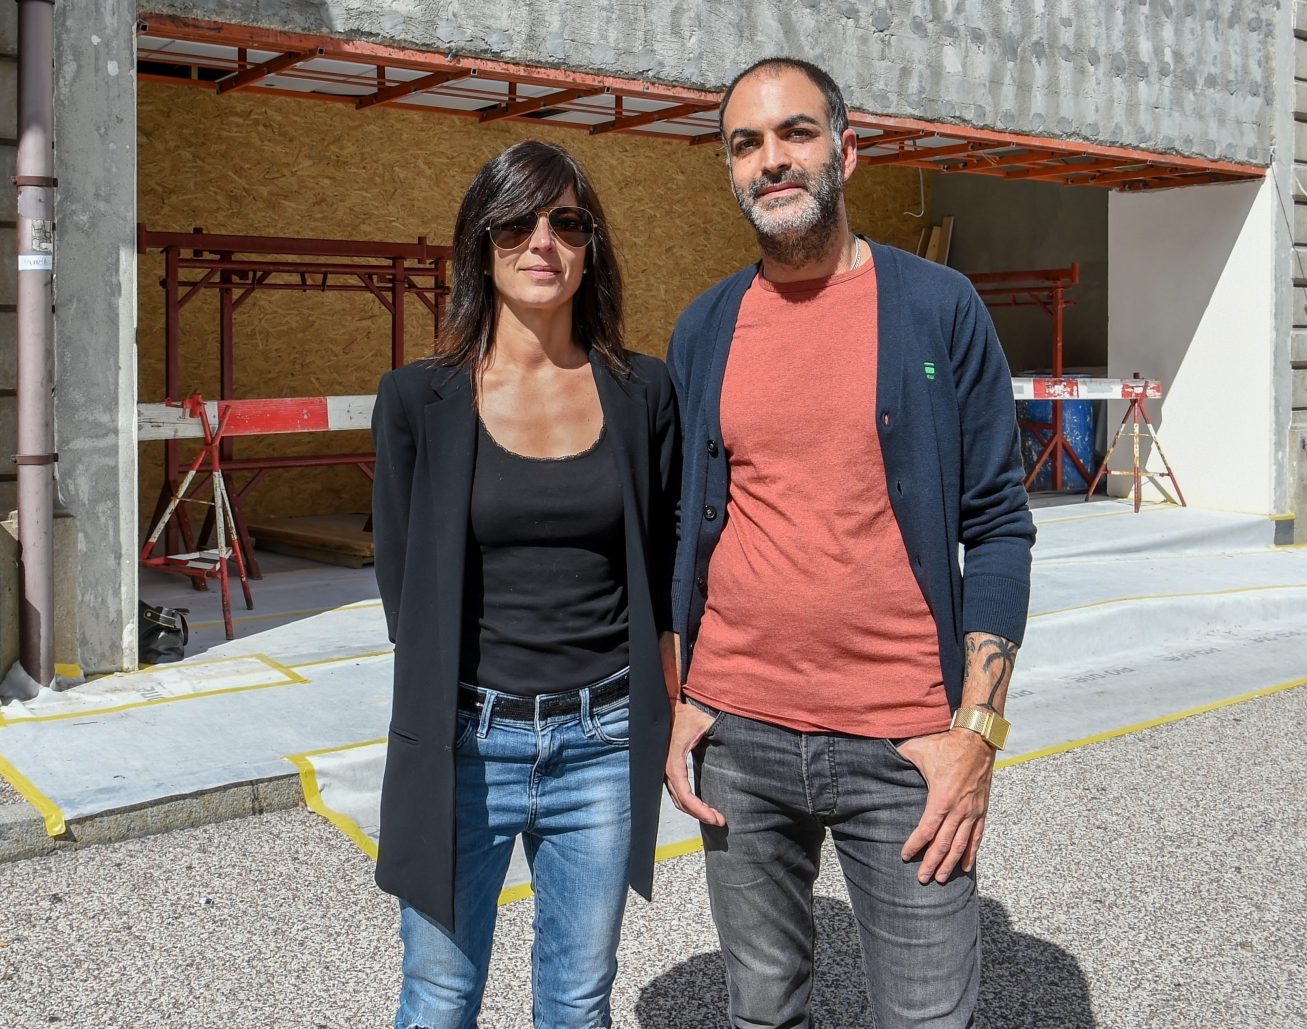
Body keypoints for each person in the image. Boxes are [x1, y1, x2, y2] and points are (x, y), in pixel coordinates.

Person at [660, 59, 1036, 1028]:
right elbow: (681, 522)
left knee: (924, 1017)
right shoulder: (704, 325)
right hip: (737, 736)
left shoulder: (936, 305)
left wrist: (975, 733)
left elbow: (995, 520)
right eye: (744, 143)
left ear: (845, 150)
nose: (769, 159)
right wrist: (680, 697)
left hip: (902, 743)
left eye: (792, 133)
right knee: (761, 1008)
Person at [371, 139, 681, 1029]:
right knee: (438, 996)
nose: (542, 240)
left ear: (590, 247)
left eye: (567, 222)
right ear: (482, 238)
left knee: (578, 999)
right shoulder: (417, 400)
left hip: (602, 741)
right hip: (466, 742)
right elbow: (405, 583)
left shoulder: (642, 391)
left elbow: (662, 559)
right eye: (517, 221)